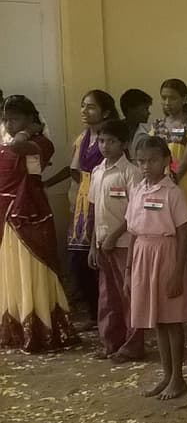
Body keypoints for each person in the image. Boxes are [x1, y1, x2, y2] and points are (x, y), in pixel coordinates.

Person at [0, 96, 76, 353]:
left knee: (32, 270)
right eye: (7, 119)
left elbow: (20, 148)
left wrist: (25, 132)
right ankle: (16, 328)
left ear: (31, 120)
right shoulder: (6, 142)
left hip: (28, 215)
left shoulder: (40, 143)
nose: (10, 124)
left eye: (16, 118)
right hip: (6, 216)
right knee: (11, 270)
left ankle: (41, 329)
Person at [126, 136, 187, 398]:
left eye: (153, 160)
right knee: (157, 320)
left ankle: (178, 377)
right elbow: (133, 231)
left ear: (167, 161)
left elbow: (182, 235)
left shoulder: (173, 193)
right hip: (143, 256)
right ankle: (166, 375)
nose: (146, 166)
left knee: (172, 320)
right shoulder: (136, 190)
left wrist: (177, 271)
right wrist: (128, 269)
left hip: (167, 256)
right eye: (141, 161)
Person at [45, 90, 119, 326]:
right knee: (79, 259)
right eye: (83, 106)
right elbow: (74, 169)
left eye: (91, 107)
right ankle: (94, 312)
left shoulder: (111, 138)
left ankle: (110, 315)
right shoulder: (83, 137)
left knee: (103, 259)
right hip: (83, 199)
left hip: (105, 198)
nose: (84, 111)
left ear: (105, 111)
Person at [87, 120, 145, 360]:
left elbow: (135, 211)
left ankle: (133, 344)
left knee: (128, 294)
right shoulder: (97, 171)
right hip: (102, 243)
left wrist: (114, 235)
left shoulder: (130, 172)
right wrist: (94, 244)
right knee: (107, 295)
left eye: (111, 141)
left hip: (123, 244)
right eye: (101, 141)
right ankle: (111, 342)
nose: (105, 146)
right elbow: (94, 210)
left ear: (124, 144)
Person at [150, 79, 187, 216]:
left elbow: (185, 161)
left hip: (183, 181)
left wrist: (171, 181)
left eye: (172, 98)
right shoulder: (156, 126)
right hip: (159, 181)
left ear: (184, 99)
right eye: (164, 98)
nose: (167, 102)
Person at [120, 89, 155, 157]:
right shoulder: (114, 131)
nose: (148, 113)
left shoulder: (148, 132)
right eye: (145, 109)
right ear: (131, 110)